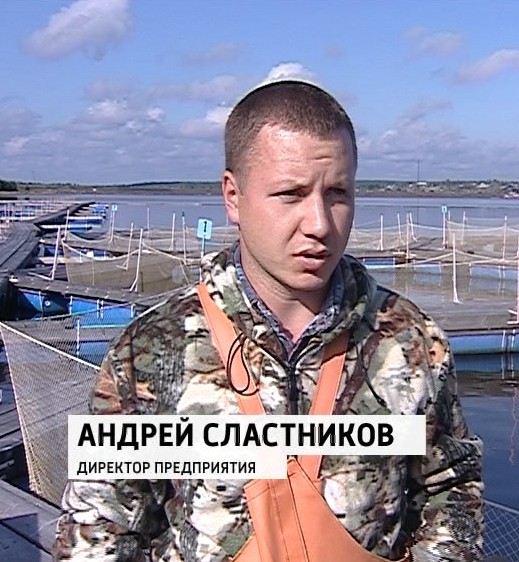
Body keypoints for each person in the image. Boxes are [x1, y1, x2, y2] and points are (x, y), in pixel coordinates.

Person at [53, 79, 484, 561]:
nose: (319, 224)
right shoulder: (153, 349)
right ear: (233, 197)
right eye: (290, 194)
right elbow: (101, 524)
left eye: (337, 193)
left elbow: (451, 487)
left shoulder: (409, 340)